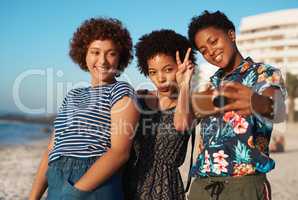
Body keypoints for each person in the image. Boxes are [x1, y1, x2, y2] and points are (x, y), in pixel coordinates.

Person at [29, 17, 139, 200]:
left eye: (111, 53)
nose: (102, 61)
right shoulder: (73, 95)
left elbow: (120, 152)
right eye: (95, 52)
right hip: (56, 178)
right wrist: (33, 197)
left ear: (120, 57)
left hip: (95, 182)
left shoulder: (121, 90)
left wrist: (75, 193)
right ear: (83, 54)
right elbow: (52, 148)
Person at [187, 11, 286, 200]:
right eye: (204, 50)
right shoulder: (208, 85)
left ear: (231, 35)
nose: (210, 51)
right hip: (201, 186)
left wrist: (256, 102)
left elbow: (278, 108)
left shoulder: (264, 74)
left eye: (213, 41)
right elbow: (185, 120)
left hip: (244, 186)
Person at [123, 29, 197, 200]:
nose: (160, 78)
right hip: (130, 183)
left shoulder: (190, 104)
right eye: (153, 72)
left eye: (168, 69)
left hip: (165, 188)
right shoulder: (139, 98)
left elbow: (181, 125)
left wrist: (184, 84)